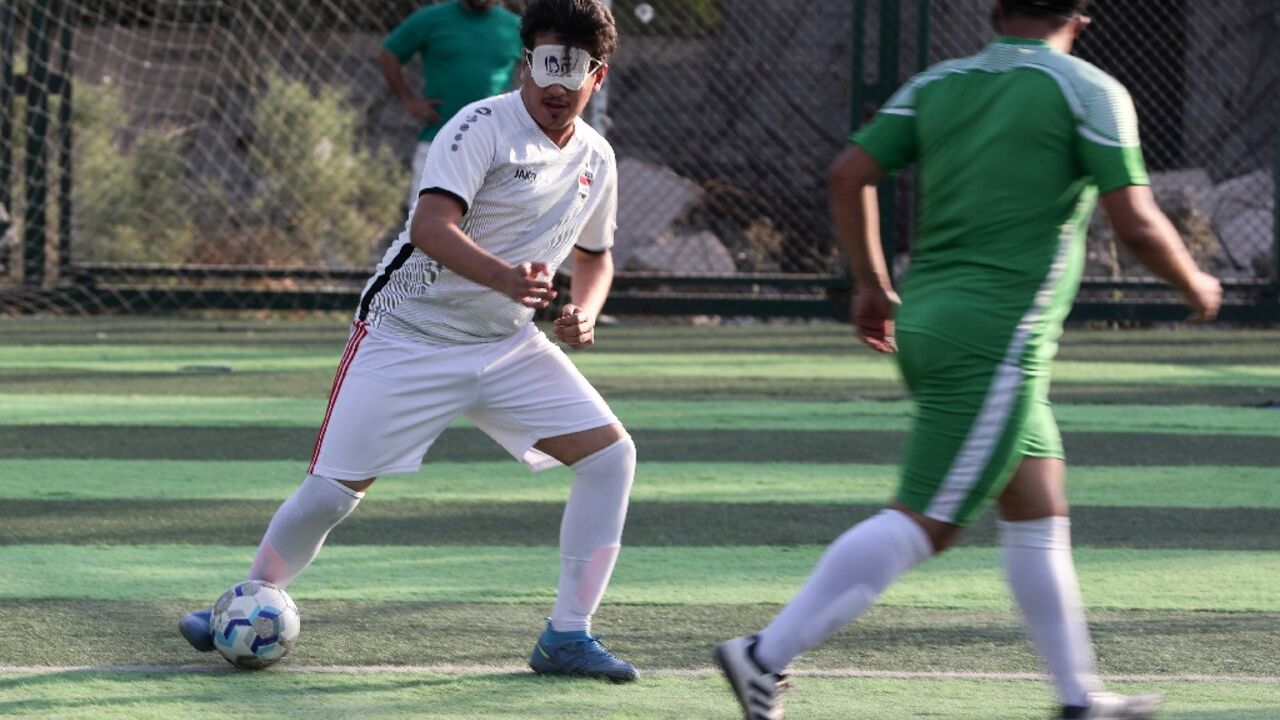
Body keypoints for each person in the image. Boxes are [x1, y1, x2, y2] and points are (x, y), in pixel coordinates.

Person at [714, 1, 1222, 718]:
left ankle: (1079, 697)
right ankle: (764, 655)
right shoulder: (1088, 90)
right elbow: (1135, 220)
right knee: (928, 520)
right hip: (997, 339)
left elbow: (847, 173)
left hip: (931, 322)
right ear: (1082, 13)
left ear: (995, 9)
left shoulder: (937, 83)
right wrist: (1195, 282)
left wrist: (869, 282)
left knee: (1037, 508)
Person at [181, 0, 638, 682]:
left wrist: (585, 309)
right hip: (408, 334)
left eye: (573, 71)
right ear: (524, 62)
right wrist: (506, 279)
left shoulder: (597, 158)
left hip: (507, 345)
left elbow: (596, 256)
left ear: (596, 79)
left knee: (610, 457)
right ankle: (246, 600)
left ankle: (567, 635)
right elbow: (430, 227)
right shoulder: (478, 125)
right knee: (332, 495)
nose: (556, 85)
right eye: (546, 63)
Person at [379, 0, 524, 212]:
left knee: (487, 232)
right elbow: (389, 54)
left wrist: (516, 105)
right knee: (422, 229)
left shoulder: (516, 28)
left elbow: (531, 72)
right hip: (437, 141)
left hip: (494, 149)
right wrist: (408, 100)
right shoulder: (431, 19)